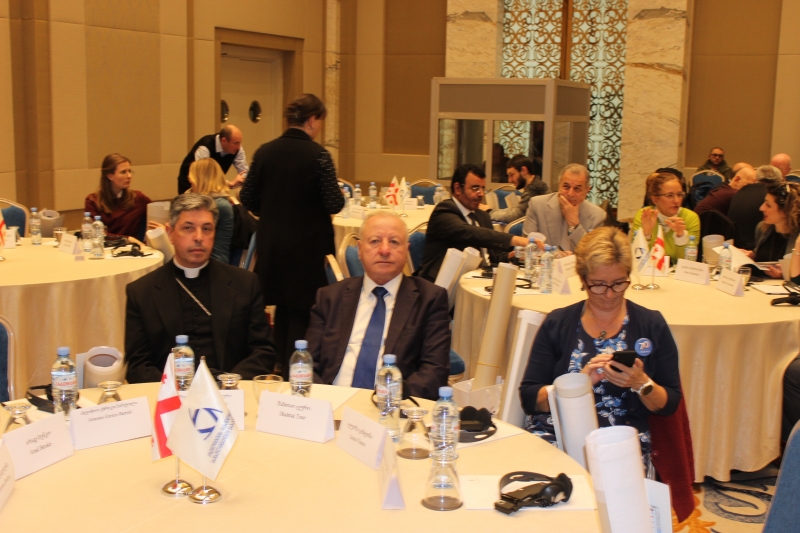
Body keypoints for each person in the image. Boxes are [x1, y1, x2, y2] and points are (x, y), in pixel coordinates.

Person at [518, 227, 689, 504]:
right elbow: (529, 398)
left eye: (619, 283)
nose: (609, 294)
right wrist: (578, 385)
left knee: (616, 502)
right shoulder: (559, 323)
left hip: (622, 440)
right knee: (546, 497)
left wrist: (641, 383)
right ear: (583, 280)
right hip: (557, 432)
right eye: (598, 285)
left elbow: (670, 403)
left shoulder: (651, 324)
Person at [240, 94, 344, 377]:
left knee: (282, 306)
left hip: (272, 243)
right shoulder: (319, 156)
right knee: (302, 309)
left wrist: (271, 209)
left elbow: (247, 197)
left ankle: (279, 361)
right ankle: (296, 369)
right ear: (312, 120)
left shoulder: (264, 152)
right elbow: (334, 203)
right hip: (307, 246)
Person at [125, 193, 277, 383]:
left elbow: (263, 351)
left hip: (231, 389)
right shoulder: (142, 292)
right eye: (188, 228)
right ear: (170, 233)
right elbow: (137, 366)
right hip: (169, 395)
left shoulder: (245, 283)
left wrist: (228, 383)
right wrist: (175, 389)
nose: (199, 237)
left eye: (206, 229)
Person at [306, 212, 450, 399]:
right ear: (359, 249)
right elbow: (306, 363)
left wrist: (386, 401)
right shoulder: (330, 297)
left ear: (406, 250)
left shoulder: (430, 299)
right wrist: (324, 401)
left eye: (394, 242)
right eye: (375, 241)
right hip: (331, 402)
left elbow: (434, 371)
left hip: (392, 406)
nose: (384, 250)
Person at [415, 164, 529, 282]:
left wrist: (510, 256)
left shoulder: (482, 216)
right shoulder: (444, 211)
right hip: (444, 285)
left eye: (483, 188)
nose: (481, 194)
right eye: (475, 188)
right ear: (458, 188)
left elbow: (492, 257)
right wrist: (516, 240)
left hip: (480, 281)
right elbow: (470, 233)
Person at [522, 163, 606, 252]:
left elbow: (593, 254)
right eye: (566, 187)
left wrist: (575, 225)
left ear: (587, 191)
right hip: (545, 260)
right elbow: (528, 248)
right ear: (559, 186)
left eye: (577, 189)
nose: (570, 194)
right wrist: (556, 255)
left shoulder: (597, 216)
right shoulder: (537, 205)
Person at [631, 172, 700, 264]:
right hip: (649, 270)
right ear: (655, 199)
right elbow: (636, 257)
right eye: (669, 195)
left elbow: (689, 263)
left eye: (680, 195)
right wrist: (646, 234)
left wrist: (681, 236)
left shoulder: (690, 218)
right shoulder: (645, 215)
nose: (676, 200)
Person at [85, 153, 151, 240]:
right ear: (110, 176)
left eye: (129, 171)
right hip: (105, 246)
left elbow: (159, 213)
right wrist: (127, 239)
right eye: (123, 172)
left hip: (133, 247)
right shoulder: (93, 201)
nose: (129, 176)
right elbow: (95, 233)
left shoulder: (138, 198)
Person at [744, 182, 800, 278]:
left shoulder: (798, 238)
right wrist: (752, 256)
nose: (761, 208)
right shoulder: (762, 229)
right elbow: (762, 257)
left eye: (768, 205)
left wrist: (785, 274)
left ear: (784, 212)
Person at [186, 159, 235, 263]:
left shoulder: (217, 205)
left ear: (200, 181)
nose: (191, 187)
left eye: (192, 183)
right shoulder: (213, 202)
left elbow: (191, 236)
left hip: (212, 262)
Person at [178, 125, 248, 194]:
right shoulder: (205, 147)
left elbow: (244, 172)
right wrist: (230, 183)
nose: (238, 147)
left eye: (239, 143)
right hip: (190, 186)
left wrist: (243, 179)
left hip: (212, 188)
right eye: (236, 143)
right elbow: (204, 179)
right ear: (224, 140)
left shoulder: (237, 149)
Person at [729, 165, 784, 250]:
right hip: (755, 249)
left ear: (756, 179)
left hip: (734, 246)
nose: (762, 208)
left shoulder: (740, 192)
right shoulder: (772, 196)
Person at [486, 155, 549, 223]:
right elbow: (516, 209)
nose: (509, 180)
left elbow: (515, 216)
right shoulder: (535, 186)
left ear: (524, 170)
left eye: (512, 175)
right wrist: (491, 211)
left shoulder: (534, 190)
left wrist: (488, 212)